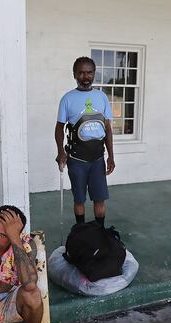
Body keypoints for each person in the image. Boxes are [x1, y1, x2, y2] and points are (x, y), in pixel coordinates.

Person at [55, 56, 115, 226]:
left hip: (97, 159)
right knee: (79, 200)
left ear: (94, 73)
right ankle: (81, 232)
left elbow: (108, 129)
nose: (85, 76)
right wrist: (61, 152)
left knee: (99, 199)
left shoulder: (102, 97)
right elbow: (59, 128)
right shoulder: (67, 98)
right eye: (81, 73)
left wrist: (111, 156)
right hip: (77, 159)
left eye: (89, 72)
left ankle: (100, 233)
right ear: (74, 74)